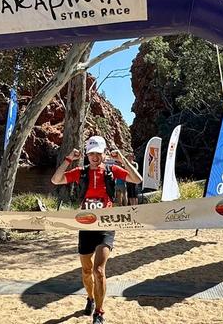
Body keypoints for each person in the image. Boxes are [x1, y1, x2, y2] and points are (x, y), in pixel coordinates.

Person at [51, 136, 142, 324]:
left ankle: (99, 312)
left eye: (98, 153)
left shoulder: (111, 170)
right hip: (85, 226)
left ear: (103, 154)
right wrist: (68, 159)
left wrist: (122, 159)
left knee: (98, 270)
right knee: (86, 271)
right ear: (87, 154)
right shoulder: (81, 172)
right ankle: (90, 299)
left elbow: (137, 178)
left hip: (106, 226)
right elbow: (56, 180)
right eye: (91, 153)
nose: (94, 157)